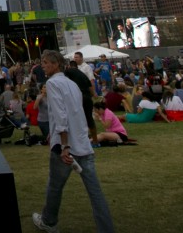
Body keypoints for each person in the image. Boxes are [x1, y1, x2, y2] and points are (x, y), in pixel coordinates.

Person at [31, 50, 115, 233]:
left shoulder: (52, 83)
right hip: (82, 144)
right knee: (95, 192)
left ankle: (48, 221)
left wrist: (65, 144)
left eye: (45, 63)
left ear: (55, 64)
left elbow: (61, 116)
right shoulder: (72, 84)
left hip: (65, 146)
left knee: (55, 187)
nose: (42, 66)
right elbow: (76, 114)